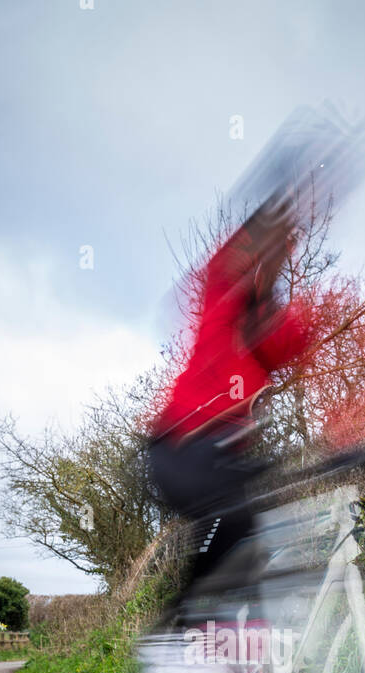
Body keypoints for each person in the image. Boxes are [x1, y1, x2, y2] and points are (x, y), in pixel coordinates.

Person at [147, 195, 316, 610]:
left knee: (251, 551)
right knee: (238, 515)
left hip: (219, 458)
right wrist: (260, 233)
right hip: (178, 451)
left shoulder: (262, 352)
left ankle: (226, 643)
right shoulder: (220, 311)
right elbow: (222, 267)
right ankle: (181, 622)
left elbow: (294, 338)